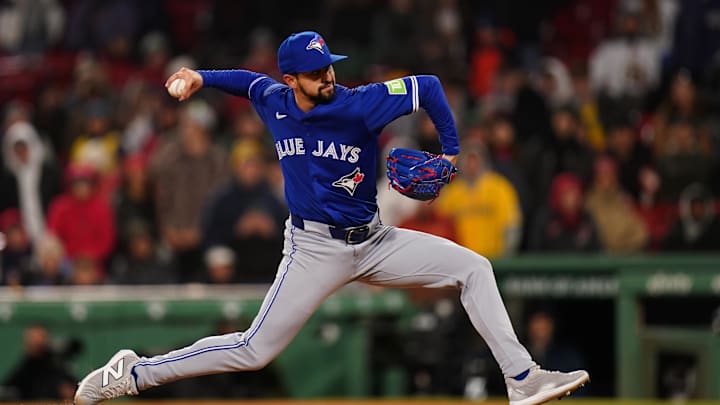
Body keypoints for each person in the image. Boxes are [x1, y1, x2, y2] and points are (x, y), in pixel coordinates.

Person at [74, 31, 589, 405]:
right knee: (255, 350)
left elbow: (430, 87)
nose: (329, 77)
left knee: (475, 268)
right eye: (318, 72)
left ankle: (522, 378)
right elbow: (245, 82)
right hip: (314, 249)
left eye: (330, 66)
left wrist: (451, 154)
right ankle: (135, 372)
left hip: (374, 240)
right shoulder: (275, 101)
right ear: (291, 78)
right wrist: (199, 77)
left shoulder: (360, 104)